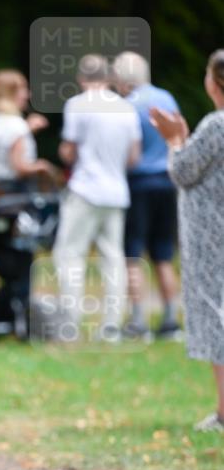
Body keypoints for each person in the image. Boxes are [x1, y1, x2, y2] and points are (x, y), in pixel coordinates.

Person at [150, 49, 224, 433]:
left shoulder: (216, 125)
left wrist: (174, 139)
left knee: (218, 317)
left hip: (213, 235)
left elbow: (182, 171)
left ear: (214, 82)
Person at [52, 54, 142, 341]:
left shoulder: (77, 104)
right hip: (117, 193)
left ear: (81, 79)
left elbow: (69, 151)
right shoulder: (127, 108)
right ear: (109, 78)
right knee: (113, 258)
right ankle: (111, 326)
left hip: (85, 190)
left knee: (69, 255)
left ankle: (71, 324)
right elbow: (133, 156)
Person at [113, 51, 182, 340]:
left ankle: (139, 321)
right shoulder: (166, 98)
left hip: (138, 184)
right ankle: (170, 319)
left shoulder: (125, 107)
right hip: (168, 181)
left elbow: (127, 152)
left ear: (123, 80)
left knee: (133, 253)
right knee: (163, 253)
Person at [0, 69, 59, 193]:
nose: (28, 95)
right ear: (10, 93)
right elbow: (20, 168)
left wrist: (27, 129)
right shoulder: (16, 124)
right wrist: (43, 166)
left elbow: (4, 148)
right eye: (23, 89)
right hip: (18, 191)